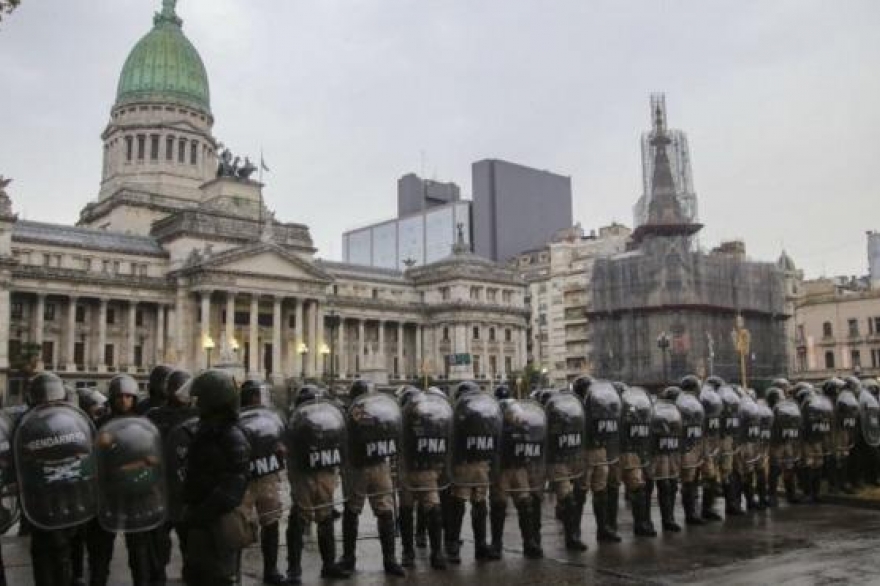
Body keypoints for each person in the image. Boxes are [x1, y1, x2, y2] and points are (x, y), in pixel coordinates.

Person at [16, 372, 97, 586]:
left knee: (60, 551)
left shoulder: (71, 422)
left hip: (67, 495)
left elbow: (85, 453)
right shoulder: (25, 425)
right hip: (41, 497)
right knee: (49, 552)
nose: (49, 402)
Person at [86, 374, 158, 586]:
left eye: (128, 396)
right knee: (100, 550)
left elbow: (153, 459)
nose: (124, 400)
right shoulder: (100, 425)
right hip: (107, 493)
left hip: (137, 492)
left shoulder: (144, 425)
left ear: (134, 398)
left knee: (139, 549)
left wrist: (130, 466)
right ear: (112, 398)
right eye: (120, 396)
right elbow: (93, 460)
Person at [182, 369, 252, 586]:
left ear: (213, 401)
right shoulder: (206, 429)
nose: (196, 403)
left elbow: (233, 488)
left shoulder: (232, 436)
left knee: (217, 576)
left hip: (216, 526)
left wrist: (199, 514)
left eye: (200, 398)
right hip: (201, 524)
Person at [336, 380, 406, 576]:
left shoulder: (369, 413)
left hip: (374, 463)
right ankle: (351, 558)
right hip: (360, 465)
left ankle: (389, 559)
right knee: (354, 509)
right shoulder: (353, 413)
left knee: (383, 510)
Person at [286, 385, 351, 583]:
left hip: (323, 471)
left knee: (325, 515)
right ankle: (294, 569)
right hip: (305, 474)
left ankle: (328, 564)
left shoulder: (328, 422)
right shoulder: (295, 423)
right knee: (300, 516)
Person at [146, 368, 195, 585]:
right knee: (158, 542)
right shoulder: (154, 415)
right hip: (161, 487)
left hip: (187, 487)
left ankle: (189, 574)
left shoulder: (197, 415)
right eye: (179, 388)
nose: (183, 394)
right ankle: (158, 577)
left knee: (190, 542)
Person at [238, 378, 287, 585]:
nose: (262, 398)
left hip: (265, 474)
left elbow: (279, 440)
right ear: (252, 397)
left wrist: (280, 449)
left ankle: (271, 568)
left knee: (271, 519)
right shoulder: (239, 420)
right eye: (259, 394)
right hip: (249, 478)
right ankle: (237, 570)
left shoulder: (270, 418)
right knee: (240, 523)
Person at [446, 381, 502, 563]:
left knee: (471, 504)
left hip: (475, 464)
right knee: (465, 504)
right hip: (470, 464)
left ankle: (471, 545)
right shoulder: (463, 415)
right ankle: (459, 544)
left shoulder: (462, 414)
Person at [489, 387, 546, 559]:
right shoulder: (495, 423)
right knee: (499, 505)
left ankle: (529, 542)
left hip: (519, 467)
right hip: (501, 469)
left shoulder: (522, 423)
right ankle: (497, 544)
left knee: (524, 503)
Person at [398, 386, 450, 570]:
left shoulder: (429, 422)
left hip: (423, 470)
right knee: (407, 509)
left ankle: (435, 552)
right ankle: (409, 551)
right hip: (408, 470)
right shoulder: (399, 423)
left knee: (431, 508)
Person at [652, 387, 683, 532]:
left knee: (672, 483)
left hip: (673, 451)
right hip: (661, 452)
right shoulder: (657, 412)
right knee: (664, 483)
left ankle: (670, 518)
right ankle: (668, 520)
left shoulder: (679, 412)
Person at [677, 375, 706, 525]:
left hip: (694, 443)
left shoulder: (691, 402)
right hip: (687, 445)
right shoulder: (684, 403)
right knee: (689, 480)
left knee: (693, 479)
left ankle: (693, 511)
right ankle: (690, 514)